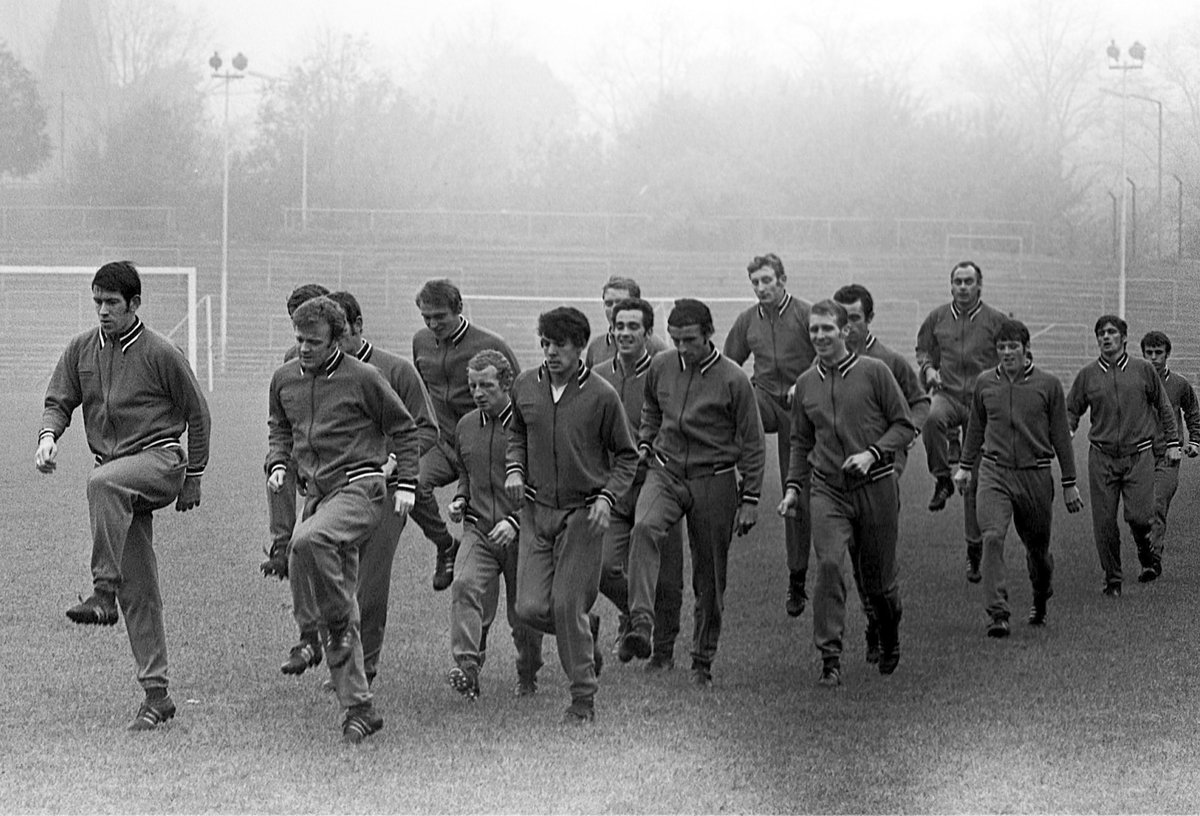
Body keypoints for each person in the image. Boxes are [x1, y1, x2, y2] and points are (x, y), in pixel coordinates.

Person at [38, 260, 211, 731]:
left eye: (111, 303)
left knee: (101, 484)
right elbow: (59, 401)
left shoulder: (162, 352)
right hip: (116, 477)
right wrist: (48, 436)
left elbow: (198, 414)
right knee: (141, 586)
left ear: (135, 304)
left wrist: (194, 475)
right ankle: (157, 696)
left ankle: (100, 592)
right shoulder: (80, 350)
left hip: (159, 460)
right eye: (97, 302)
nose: (102, 311)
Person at [267, 296, 420, 743]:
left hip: (361, 487)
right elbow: (279, 426)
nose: (305, 348)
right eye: (299, 340)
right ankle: (359, 709)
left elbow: (404, 427)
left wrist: (407, 483)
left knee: (305, 543)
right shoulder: (284, 378)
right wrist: (279, 462)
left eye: (313, 341)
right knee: (316, 568)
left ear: (338, 340)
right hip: (318, 493)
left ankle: (317, 632)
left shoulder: (365, 377)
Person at [622, 298, 765, 688]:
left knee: (710, 575)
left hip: (713, 478)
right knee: (644, 529)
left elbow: (752, 442)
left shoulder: (733, 379)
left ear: (708, 334)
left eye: (690, 340)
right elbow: (651, 407)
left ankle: (702, 660)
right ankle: (641, 625)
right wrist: (647, 442)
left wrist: (750, 498)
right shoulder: (661, 366)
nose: (682, 348)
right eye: (676, 340)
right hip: (665, 472)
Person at [505, 306, 638, 724]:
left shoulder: (601, 395)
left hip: (584, 514)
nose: (550, 352)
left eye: (559, 345)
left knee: (565, 604)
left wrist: (606, 499)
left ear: (580, 347)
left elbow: (626, 457)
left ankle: (582, 699)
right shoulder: (526, 385)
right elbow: (516, 433)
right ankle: (585, 628)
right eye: (544, 344)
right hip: (536, 511)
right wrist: (514, 468)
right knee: (527, 608)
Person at [779, 300, 914, 687]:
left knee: (879, 584)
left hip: (876, 487)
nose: (820, 336)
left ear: (846, 331)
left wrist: (872, 454)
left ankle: (888, 634)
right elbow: (800, 441)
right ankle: (830, 658)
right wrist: (792, 489)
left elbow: (904, 426)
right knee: (829, 566)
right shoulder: (805, 383)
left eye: (827, 329)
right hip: (827, 490)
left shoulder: (875, 372)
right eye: (814, 330)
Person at [953, 319, 1083, 637]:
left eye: (1013, 346)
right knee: (993, 536)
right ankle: (998, 613)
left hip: (1035, 474)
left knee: (1038, 551)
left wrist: (1069, 483)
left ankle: (1041, 596)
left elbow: (1061, 437)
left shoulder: (1048, 385)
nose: (1007, 352)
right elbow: (975, 428)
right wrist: (965, 465)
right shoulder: (985, 383)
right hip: (995, 473)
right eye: (1002, 347)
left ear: (1027, 349)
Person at [833, 283, 930, 662]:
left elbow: (919, 404)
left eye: (854, 318)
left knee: (877, 560)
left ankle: (886, 618)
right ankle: (873, 619)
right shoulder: (824, 362)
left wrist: (899, 441)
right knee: (853, 557)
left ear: (869, 319)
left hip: (882, 470)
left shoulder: (889, 361)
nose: (846, 326)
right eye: (840, 318)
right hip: (840, 475)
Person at [445, 350, 544, 699]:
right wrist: (460, 498)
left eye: (486, 385)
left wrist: (516, 522)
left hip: (524, 534)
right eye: (472, 385)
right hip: (479, 532)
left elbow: (545, 483)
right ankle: (467, 668)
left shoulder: (530, 425)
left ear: (506, 384)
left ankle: (528, 674)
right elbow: (465, 472)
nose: (477, 393)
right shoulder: (466, 425)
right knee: (464, 587)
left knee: (524, 617)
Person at [412, 279, 521, 592]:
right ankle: (445, 544)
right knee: (411, 482)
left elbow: (518, 398)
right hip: (443, 444)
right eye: (426, 317)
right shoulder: (420, 341)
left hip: (485, 449)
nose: (433, 324)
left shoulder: (491, 345)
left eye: (439, 317)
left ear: (458, 310)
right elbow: (423, 389)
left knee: (490, 521)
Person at [594, 297, 684, 672]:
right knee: (602, 566)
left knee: (666, 572)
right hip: (613, 485)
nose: (625, 333)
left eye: (634, 327)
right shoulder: (597, 374)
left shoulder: (666, 371)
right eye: (620, 326)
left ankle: (660, 650)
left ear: (649, 333)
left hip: (658, 479)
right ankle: (634, 616)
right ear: (611, 330)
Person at [723, 253, 815, 618]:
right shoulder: (747, 320)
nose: (762, 289)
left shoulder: (806, 315)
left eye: (767, 281)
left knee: (798, 492)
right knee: (726, 424)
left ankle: (797, 577)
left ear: (782, 280)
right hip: (763, 398)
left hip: (798, 404)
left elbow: (826, 355)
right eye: (756, 283)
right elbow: (727, 364)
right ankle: (740, 490)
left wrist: (803, 385)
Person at [1067, 315, 1179, 596]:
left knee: (1141, 517)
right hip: (1102, 457)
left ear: (1124, 338)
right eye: (1101, 333)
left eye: (1112, 332)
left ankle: (1145, 548)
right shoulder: (1087, 375)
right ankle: (1113, 578)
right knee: (1104, 523)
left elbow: (1164, 407)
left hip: (1138, 456)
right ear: (1097, 339)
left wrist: (1174, 442)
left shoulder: (1143, 370)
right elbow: (1072, 409)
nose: (1106, 337)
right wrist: (1067, 428)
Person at [915, 260, 1007, 583]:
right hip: (950, 393)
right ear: (951, 286)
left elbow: (1011, 355)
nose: (964, 287)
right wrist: (928, 370)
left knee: (974, 481)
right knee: (931, 418)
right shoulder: (937, 318)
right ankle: (941, 477)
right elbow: (924, 349)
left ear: (980, 285)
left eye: (969, 282)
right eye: (958, 282)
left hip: (982, 405)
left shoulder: (996, 321)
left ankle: (973, 550)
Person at [261, 283, 330, 581]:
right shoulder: (292, 359)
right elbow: (283, 421)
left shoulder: (356, 364)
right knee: (277, 466)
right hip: (303, 445)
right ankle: (280, 547)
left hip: (340, 452)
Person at [1139, 330, 1200, 566]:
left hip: (1168, 454)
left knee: (1157, 503)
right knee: (1138, 512)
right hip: (1138, 454)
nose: (1153, 358)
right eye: (1149, 353)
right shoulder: (1135, 383)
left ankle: (1154, 557)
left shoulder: (1179, 384)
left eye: (1158, 353)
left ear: (1167, 354)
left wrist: (1194, 440)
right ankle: (1145, 547)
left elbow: (1192, 411)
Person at [584, 275, 669, 367]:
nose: (614, 309)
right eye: (608, 303)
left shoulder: (656, 347)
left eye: (621, 303)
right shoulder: (596, 346)